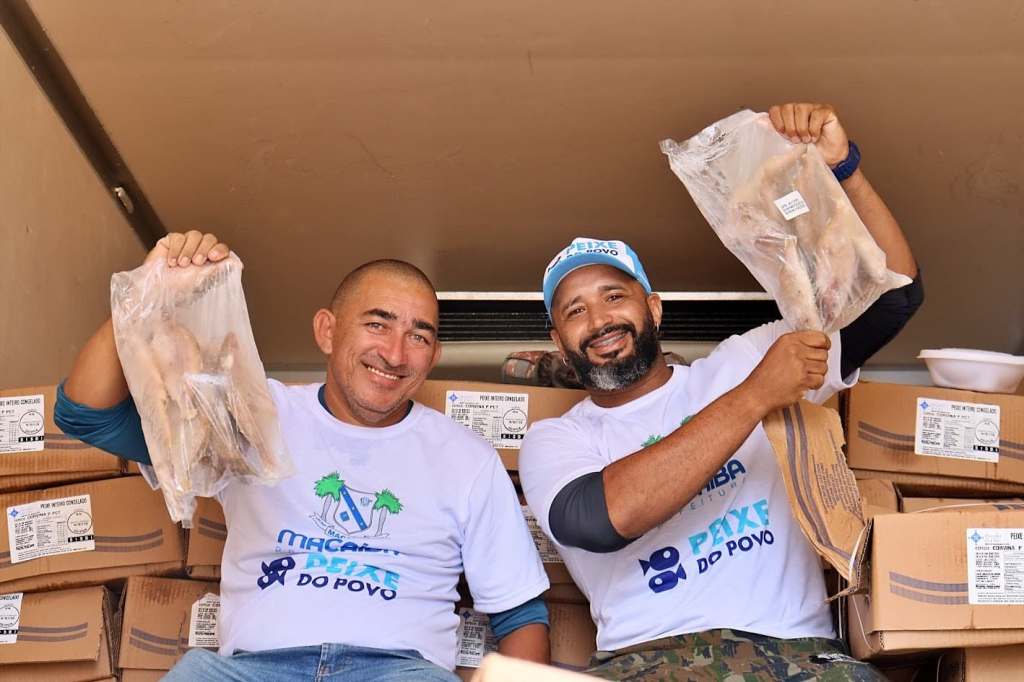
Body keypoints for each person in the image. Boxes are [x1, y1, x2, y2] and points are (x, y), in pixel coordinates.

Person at [519, 103, 923, 680]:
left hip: (801, 657)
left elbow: (891, 299)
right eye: (575, 311)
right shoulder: (554, 440)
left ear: (653, 308)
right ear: (559, 342)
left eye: (614, 297)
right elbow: (601, 520)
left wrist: (842, 170)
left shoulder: (745, 359)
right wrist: (757, 395)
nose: (600, 320)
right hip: (651, 662)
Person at [55, 234, 551, 681]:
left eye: (418, 337)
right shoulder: (252, 412)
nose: (395, 354)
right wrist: (151, 290)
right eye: (377, 324)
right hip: (249, 671)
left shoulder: (466, 458)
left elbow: (521, 615)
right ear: (327, 331)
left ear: (434, 356)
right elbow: (85, 415)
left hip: (399, 673)